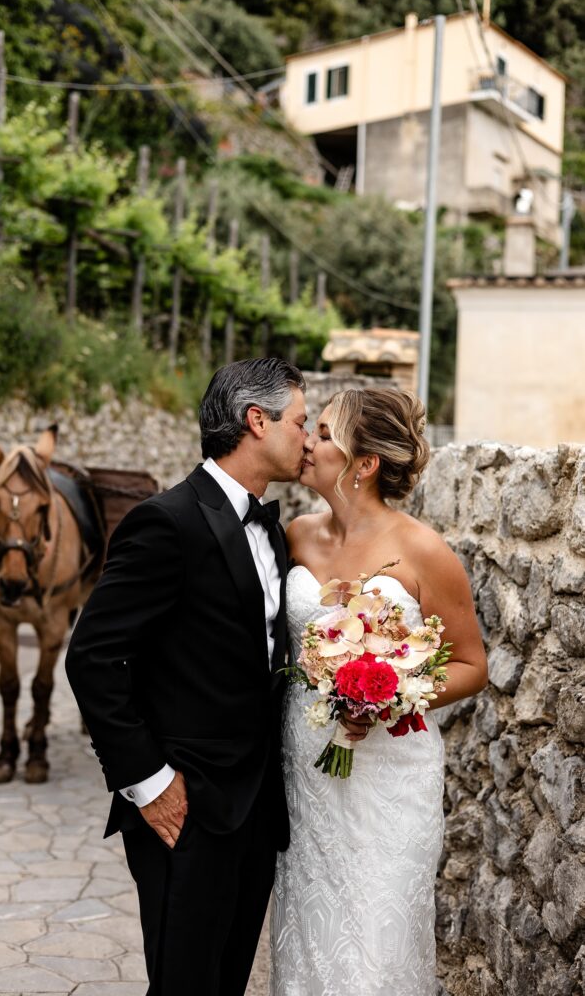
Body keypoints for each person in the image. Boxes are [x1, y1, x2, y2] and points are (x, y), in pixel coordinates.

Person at [65, 357, 308, 996]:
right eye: (302, 423)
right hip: (186, 808)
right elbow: (92, 657)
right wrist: (148, 781)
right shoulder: (165, 522)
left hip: (256, 810)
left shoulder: (272, 530)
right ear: (257, 421)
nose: (308, 440)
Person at [271, 387, 487, 996]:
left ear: (364, 464)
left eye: (323, 436)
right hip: (309, 775)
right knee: (310, 932)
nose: (307, 443)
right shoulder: (296, 537)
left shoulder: (423, 550)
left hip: (390, 774)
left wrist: (391, 693)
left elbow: (472, 664)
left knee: (375, 946)